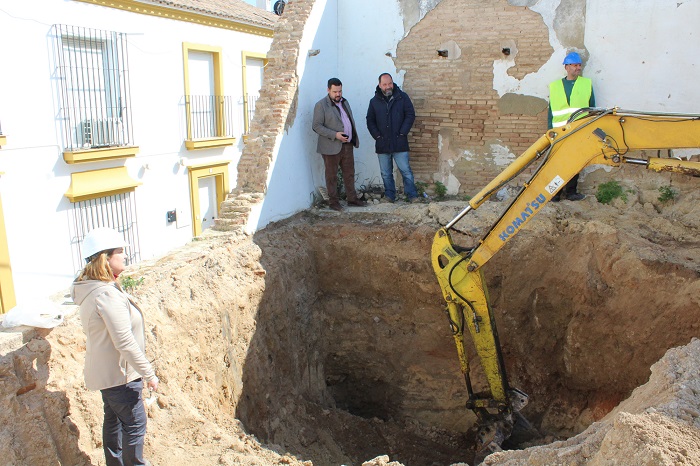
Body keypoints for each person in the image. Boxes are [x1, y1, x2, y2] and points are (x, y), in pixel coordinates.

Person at [71, 227, 158, 466]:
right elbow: (124, 341)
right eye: (120, 251)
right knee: (135, 425)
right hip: (120, 376)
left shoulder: (95, 289)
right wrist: (149, 373)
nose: (125, 255)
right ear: (106, 258)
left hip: (109, 375)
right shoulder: (105, 295)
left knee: (114, 422)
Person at [312, 77, 367, 212]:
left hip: (347, 145)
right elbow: (316, 126)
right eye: (335, 91)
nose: (338, 94)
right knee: (332, 176)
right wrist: (335, 135)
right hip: (330, 146)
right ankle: (333, 202)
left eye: (340, 91)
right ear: (328, 90)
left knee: (349, 173)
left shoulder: (344, 102)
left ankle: (352, 199)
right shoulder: (321, 105)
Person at [548, 51, 595, 201]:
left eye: (579, 65)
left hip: (578, 130)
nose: (578, 68)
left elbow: (592, 109)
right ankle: (555, 193)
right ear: (567, 67)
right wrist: (550, 130)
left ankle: (571, 192)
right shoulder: (555, 86)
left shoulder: (586, 84)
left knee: (575, 162)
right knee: (557, 163)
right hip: (559, 132)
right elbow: (551, 111)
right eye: (575, 65)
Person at [366, 73, 419, 203]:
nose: (388, 86)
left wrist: (403, 132)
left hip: (399, 141)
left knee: (406, 171)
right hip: (382, 143)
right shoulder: (374, 101)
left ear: (392, 82)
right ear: (380, 85)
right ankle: (390, 196)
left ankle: (412, 196)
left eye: (390, 83)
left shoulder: (402, 97)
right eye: (384, 84)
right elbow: (370, 120)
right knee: (385, 173)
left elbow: (410, 114)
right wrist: (377, 136)